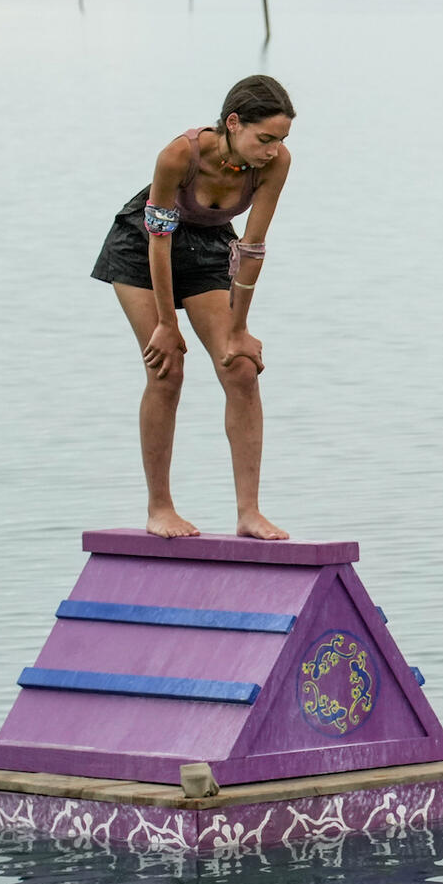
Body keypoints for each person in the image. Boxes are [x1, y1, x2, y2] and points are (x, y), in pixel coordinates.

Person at [90, 74, 296, 539]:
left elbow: (252, 246)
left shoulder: (274, 164)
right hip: (141, 247)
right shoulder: (179, 155)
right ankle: (160, 508)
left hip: (208, 246)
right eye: (264, 138)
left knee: (240, 366)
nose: (272, 149)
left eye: (280, 140)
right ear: (233, 122)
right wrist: (167, 322)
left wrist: (239, 328)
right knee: (168, 368)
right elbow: (158, 243)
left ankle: (249, 513)